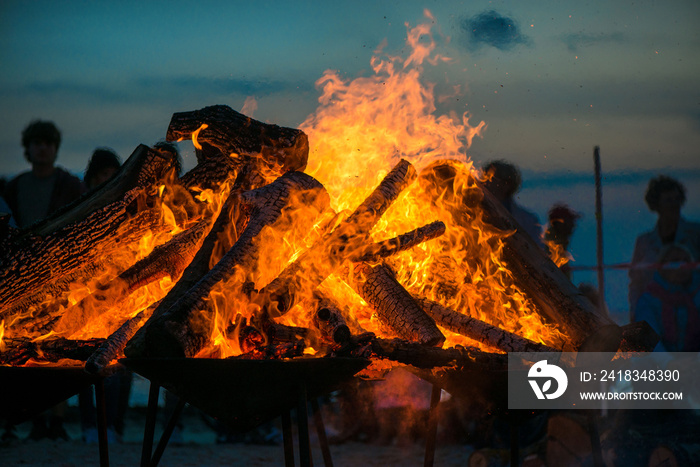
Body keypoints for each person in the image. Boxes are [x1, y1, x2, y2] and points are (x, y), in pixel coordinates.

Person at [629, 175, 700, 321]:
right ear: (657, 205)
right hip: (655, 316)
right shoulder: (644, 242)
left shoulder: (695, 235)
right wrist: (636, 313)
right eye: (668, 200)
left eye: (677, 199)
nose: (674, 205)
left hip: (692, 317)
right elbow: (636, 284)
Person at [3, 120, 83, 228]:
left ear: (56, 148)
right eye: (37, 143)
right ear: (28, 147)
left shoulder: (71, 186)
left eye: (48, 143)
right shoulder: (13, 188)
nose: (43, 148)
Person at [634, 244, 700, 352]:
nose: (681, 266)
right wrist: (668, 362)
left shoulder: (697, 295)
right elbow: (647, 337)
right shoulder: (649, 299)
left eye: (686, 261)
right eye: (675, 261)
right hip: (661, 364)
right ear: (662, 267)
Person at [482, 160, 544, 247]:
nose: (484, 182)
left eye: (489, 178)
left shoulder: (528, 220)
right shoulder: (475, 213)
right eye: (484, 177)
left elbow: (537, 251)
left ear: (506, 184)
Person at [544, 203, 581, 279]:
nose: (573, 225)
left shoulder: (559, 246)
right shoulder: (554, 248)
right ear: (560, 222)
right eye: (570, 220)